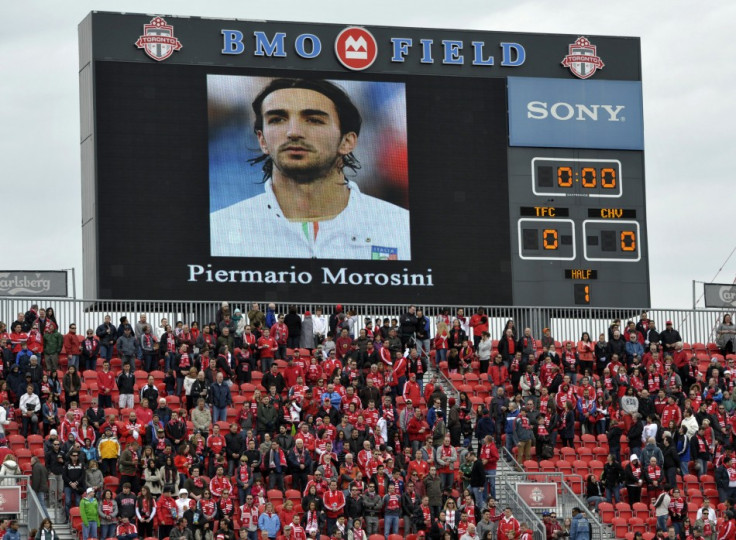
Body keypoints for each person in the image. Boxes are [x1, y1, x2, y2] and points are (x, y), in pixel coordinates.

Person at [210, 77, 410, 260]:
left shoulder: (401, 228)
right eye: (277, 120)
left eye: (314, 120)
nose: (293, 132)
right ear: (262, 140)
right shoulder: (219, 229)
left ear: (347, 141)